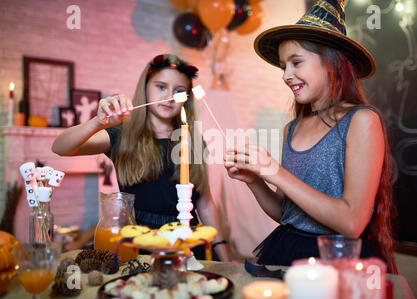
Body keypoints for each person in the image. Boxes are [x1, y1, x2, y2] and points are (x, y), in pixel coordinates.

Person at [224, 0, 398, 273]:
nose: (286, 75)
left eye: (296, 62)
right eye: (283, 66)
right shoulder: (292, 129)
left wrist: (274, 170)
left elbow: (352, 222)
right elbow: (288, 214)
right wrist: (255, 180)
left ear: (331, 62)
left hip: (337, 258)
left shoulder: (362, 121)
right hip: (288, 250)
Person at [52, 54, 228, 261]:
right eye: (161, 87)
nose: (170, 96)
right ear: (145, 88)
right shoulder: (122, 135)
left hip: (186, 242)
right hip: (138, 243)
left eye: (179, 91)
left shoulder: (194, 141)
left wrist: (225, 256)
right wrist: (98, 122)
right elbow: (61, 147)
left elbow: (205, 203)